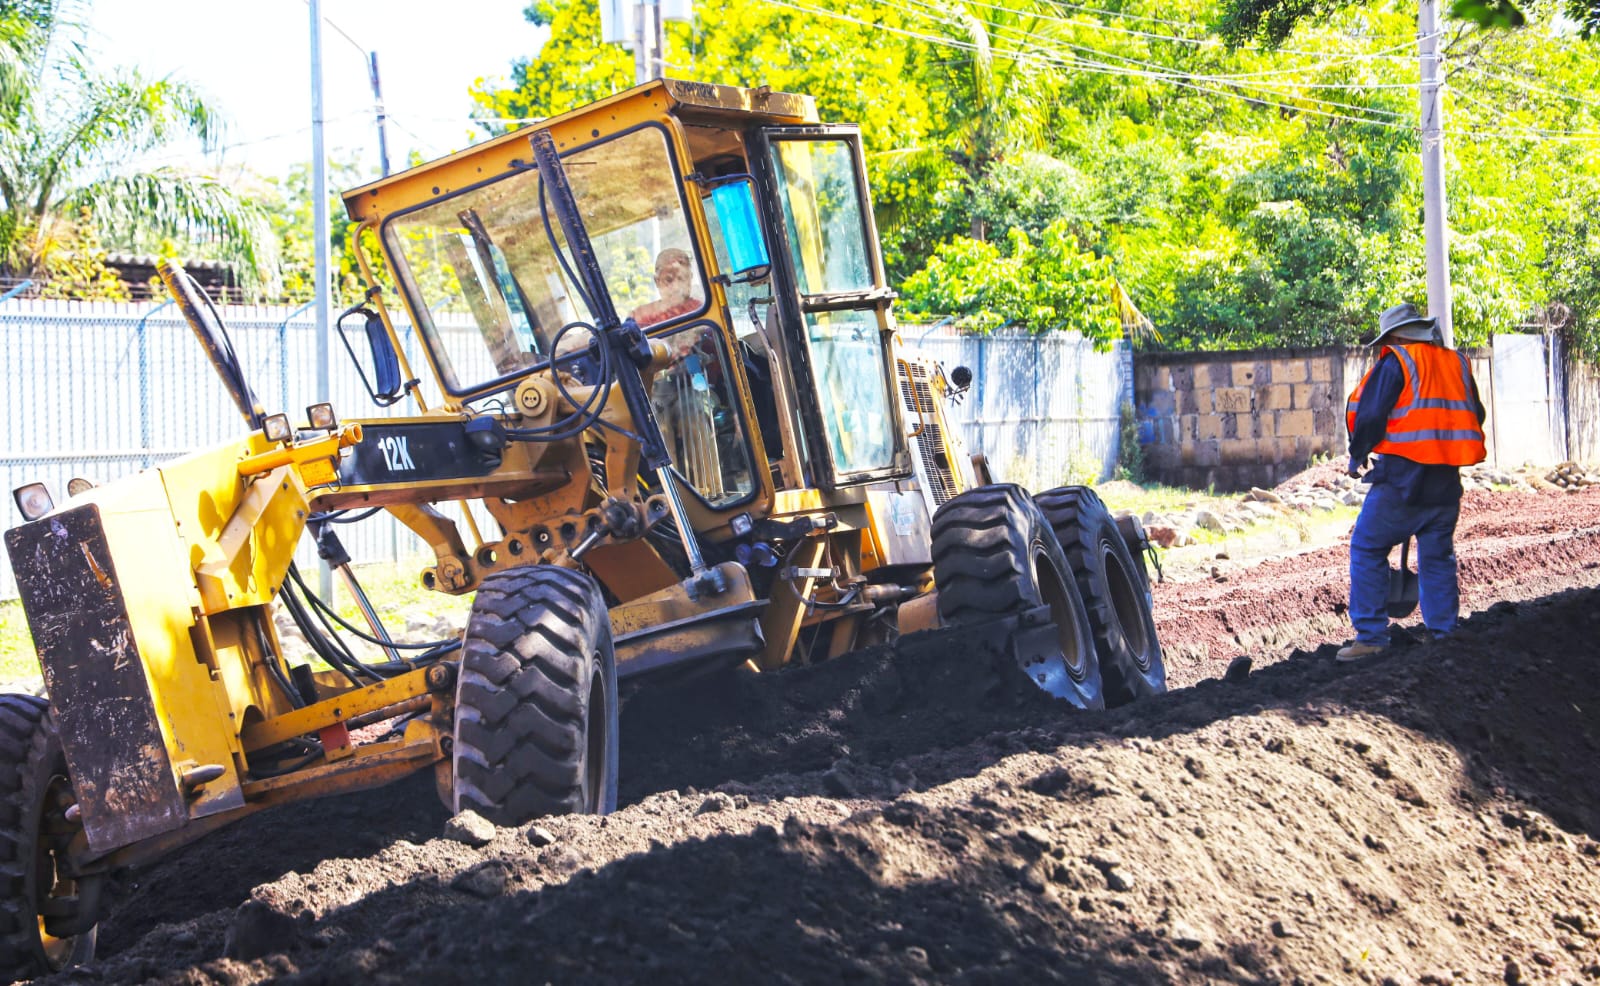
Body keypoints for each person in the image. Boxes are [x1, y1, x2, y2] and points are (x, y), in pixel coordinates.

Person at [1337, 302, 1487, 662]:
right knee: (1437, 557)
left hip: (1403, 480)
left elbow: (1371, 413)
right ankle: (1444, 632)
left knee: (1367, 546)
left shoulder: (1397, 362)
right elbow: (1476, 413)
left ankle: (1371, 636)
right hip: (1446, 481)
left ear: (1396, 336)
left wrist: (1358, 455)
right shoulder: (1458, 363)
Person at [631, 248, 701, 327]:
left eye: (682, 279)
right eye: (668, 280)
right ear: (657, 281)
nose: (676, 287)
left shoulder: (701, 309)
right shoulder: (641, 317)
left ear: (690, 279)